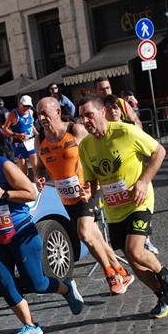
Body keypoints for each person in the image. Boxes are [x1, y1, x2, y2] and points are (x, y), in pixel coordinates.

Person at [0, 128, 84, 334]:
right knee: (4, 282)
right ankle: (30, 326)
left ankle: (66, 287)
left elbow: (30, 192)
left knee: (36, 283)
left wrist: (6, 194)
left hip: (21, 231)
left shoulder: (5, 166)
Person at [78, 95, 168, 319]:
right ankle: (162, 295)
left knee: (135, 250)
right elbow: (93, 181)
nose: (85, 120)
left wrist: (144, 181)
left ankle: (166, 273)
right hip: (115, 209)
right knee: (133, 262)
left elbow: (159, 152)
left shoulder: (125, 132)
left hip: (139, 201)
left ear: (102, 112)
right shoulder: (85, 146)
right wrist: (88, 190)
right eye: (82, 116)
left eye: (89, 114)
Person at [34, 96, 134, 295]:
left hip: (87, 191)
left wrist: (94, 183)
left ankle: (111, 275)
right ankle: (122, 272)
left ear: (57, 112)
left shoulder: (75, 130)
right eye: (38, 114)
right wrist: (39, 177)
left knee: (85, 233)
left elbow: (93, 152)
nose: (41, 117)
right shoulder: (40, 139)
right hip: (66, 197)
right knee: (95, 236)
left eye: (45, 112)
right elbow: (38, 166)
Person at [103, 94, 159, 255]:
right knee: (128, 250)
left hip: (137, 188)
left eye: (116, 108)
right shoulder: (98, 136)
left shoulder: (130, 128)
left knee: (135, 247)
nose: (113, 111)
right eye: (109, 109)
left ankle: (147, 241)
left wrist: (144, 180)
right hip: (116, 197)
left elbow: (155, 151)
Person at [2, 95, 39, 177]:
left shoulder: (31, 112)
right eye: (25, 106)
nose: (26, 108)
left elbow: (30, 125)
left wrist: (37, 134)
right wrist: (18, 135)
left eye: (28, 106)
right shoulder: (13, 114)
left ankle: (39, 187)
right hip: (19, 143)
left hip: (30, 142)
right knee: (24, 171)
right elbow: (4, 130)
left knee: (36, 168)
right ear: (20, 104)